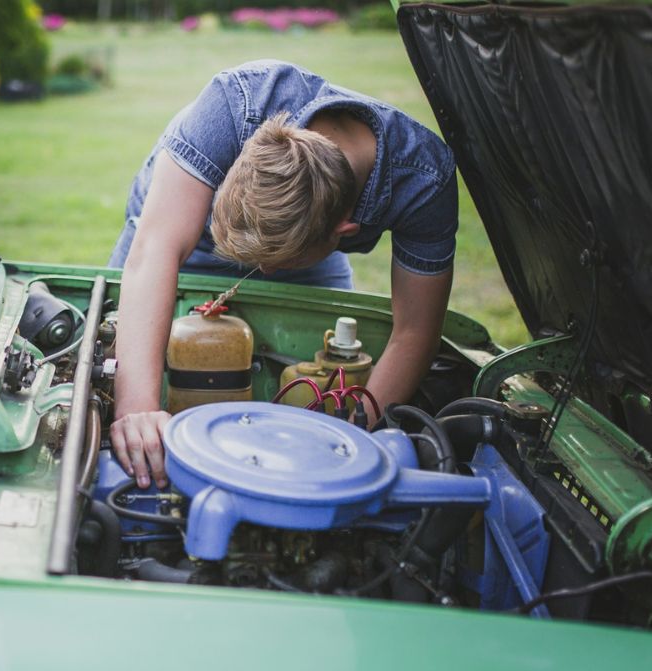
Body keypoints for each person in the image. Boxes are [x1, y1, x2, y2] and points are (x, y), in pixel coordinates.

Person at [107, 60, 458, 490]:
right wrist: (136, 411)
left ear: (342, 233)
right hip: (182, 221)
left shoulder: (424, 179)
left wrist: (351, 443)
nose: (257, 274)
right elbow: (154, 252)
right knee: (120, 353)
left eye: (271, 264)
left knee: (322, 371)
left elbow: (416, 331)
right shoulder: (234, 103)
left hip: (304, 245)